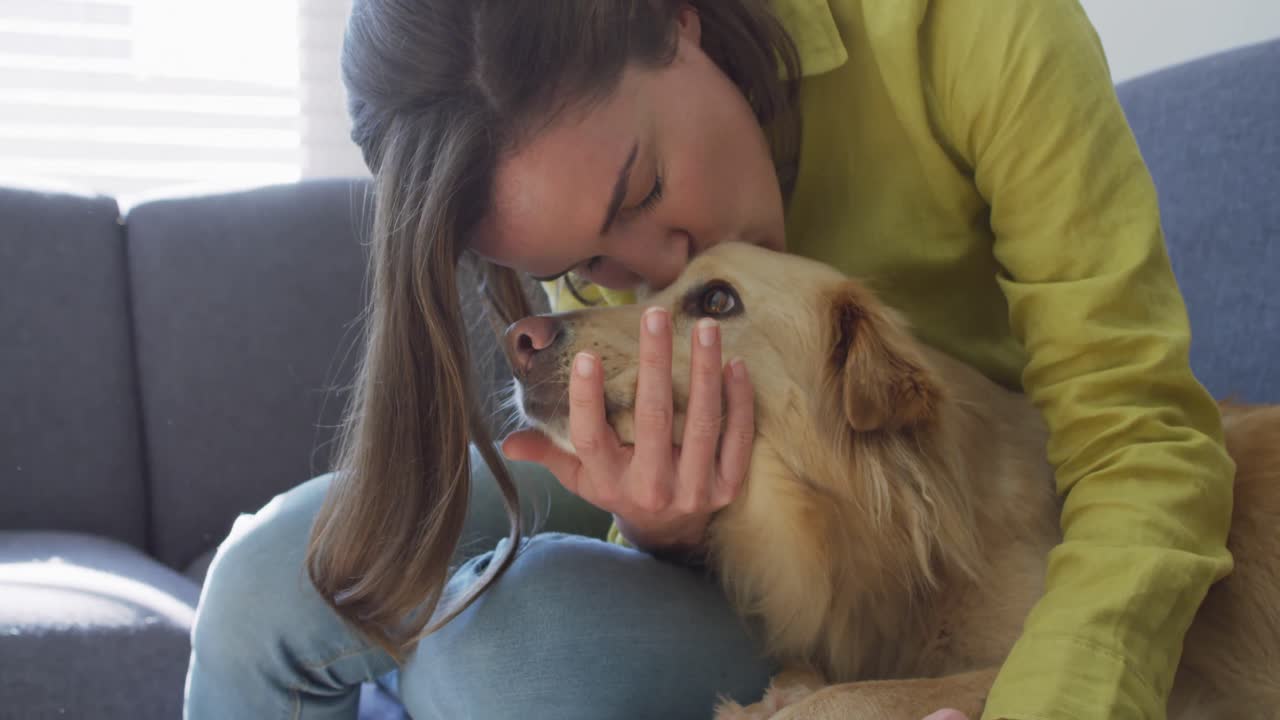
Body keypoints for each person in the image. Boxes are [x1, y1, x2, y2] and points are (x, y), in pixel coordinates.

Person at [184, 1, 1236, 719]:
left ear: (672, 16)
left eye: (637, 194)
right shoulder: (608, 241)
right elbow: (635, 448)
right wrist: (656, 530)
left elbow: (1142, 441)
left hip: (917, 529)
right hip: (715, 521)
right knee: (261, 585)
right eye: (586, 264)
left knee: (503, 659)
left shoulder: (967, 26)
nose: (646, 271)